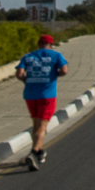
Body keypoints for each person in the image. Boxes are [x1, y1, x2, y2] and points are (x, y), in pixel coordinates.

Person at [15, 34, 68, 170]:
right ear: (51, 44)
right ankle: (33, 153)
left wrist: (27, 80)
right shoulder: (56, 56)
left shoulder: (28, 57)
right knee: (42, 127)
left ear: (38, 44)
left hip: (30, 95)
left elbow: (19, 74)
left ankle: (39, 151)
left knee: (36, 123)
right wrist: (53, 75)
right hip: (47, 95)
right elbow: (64, 70)